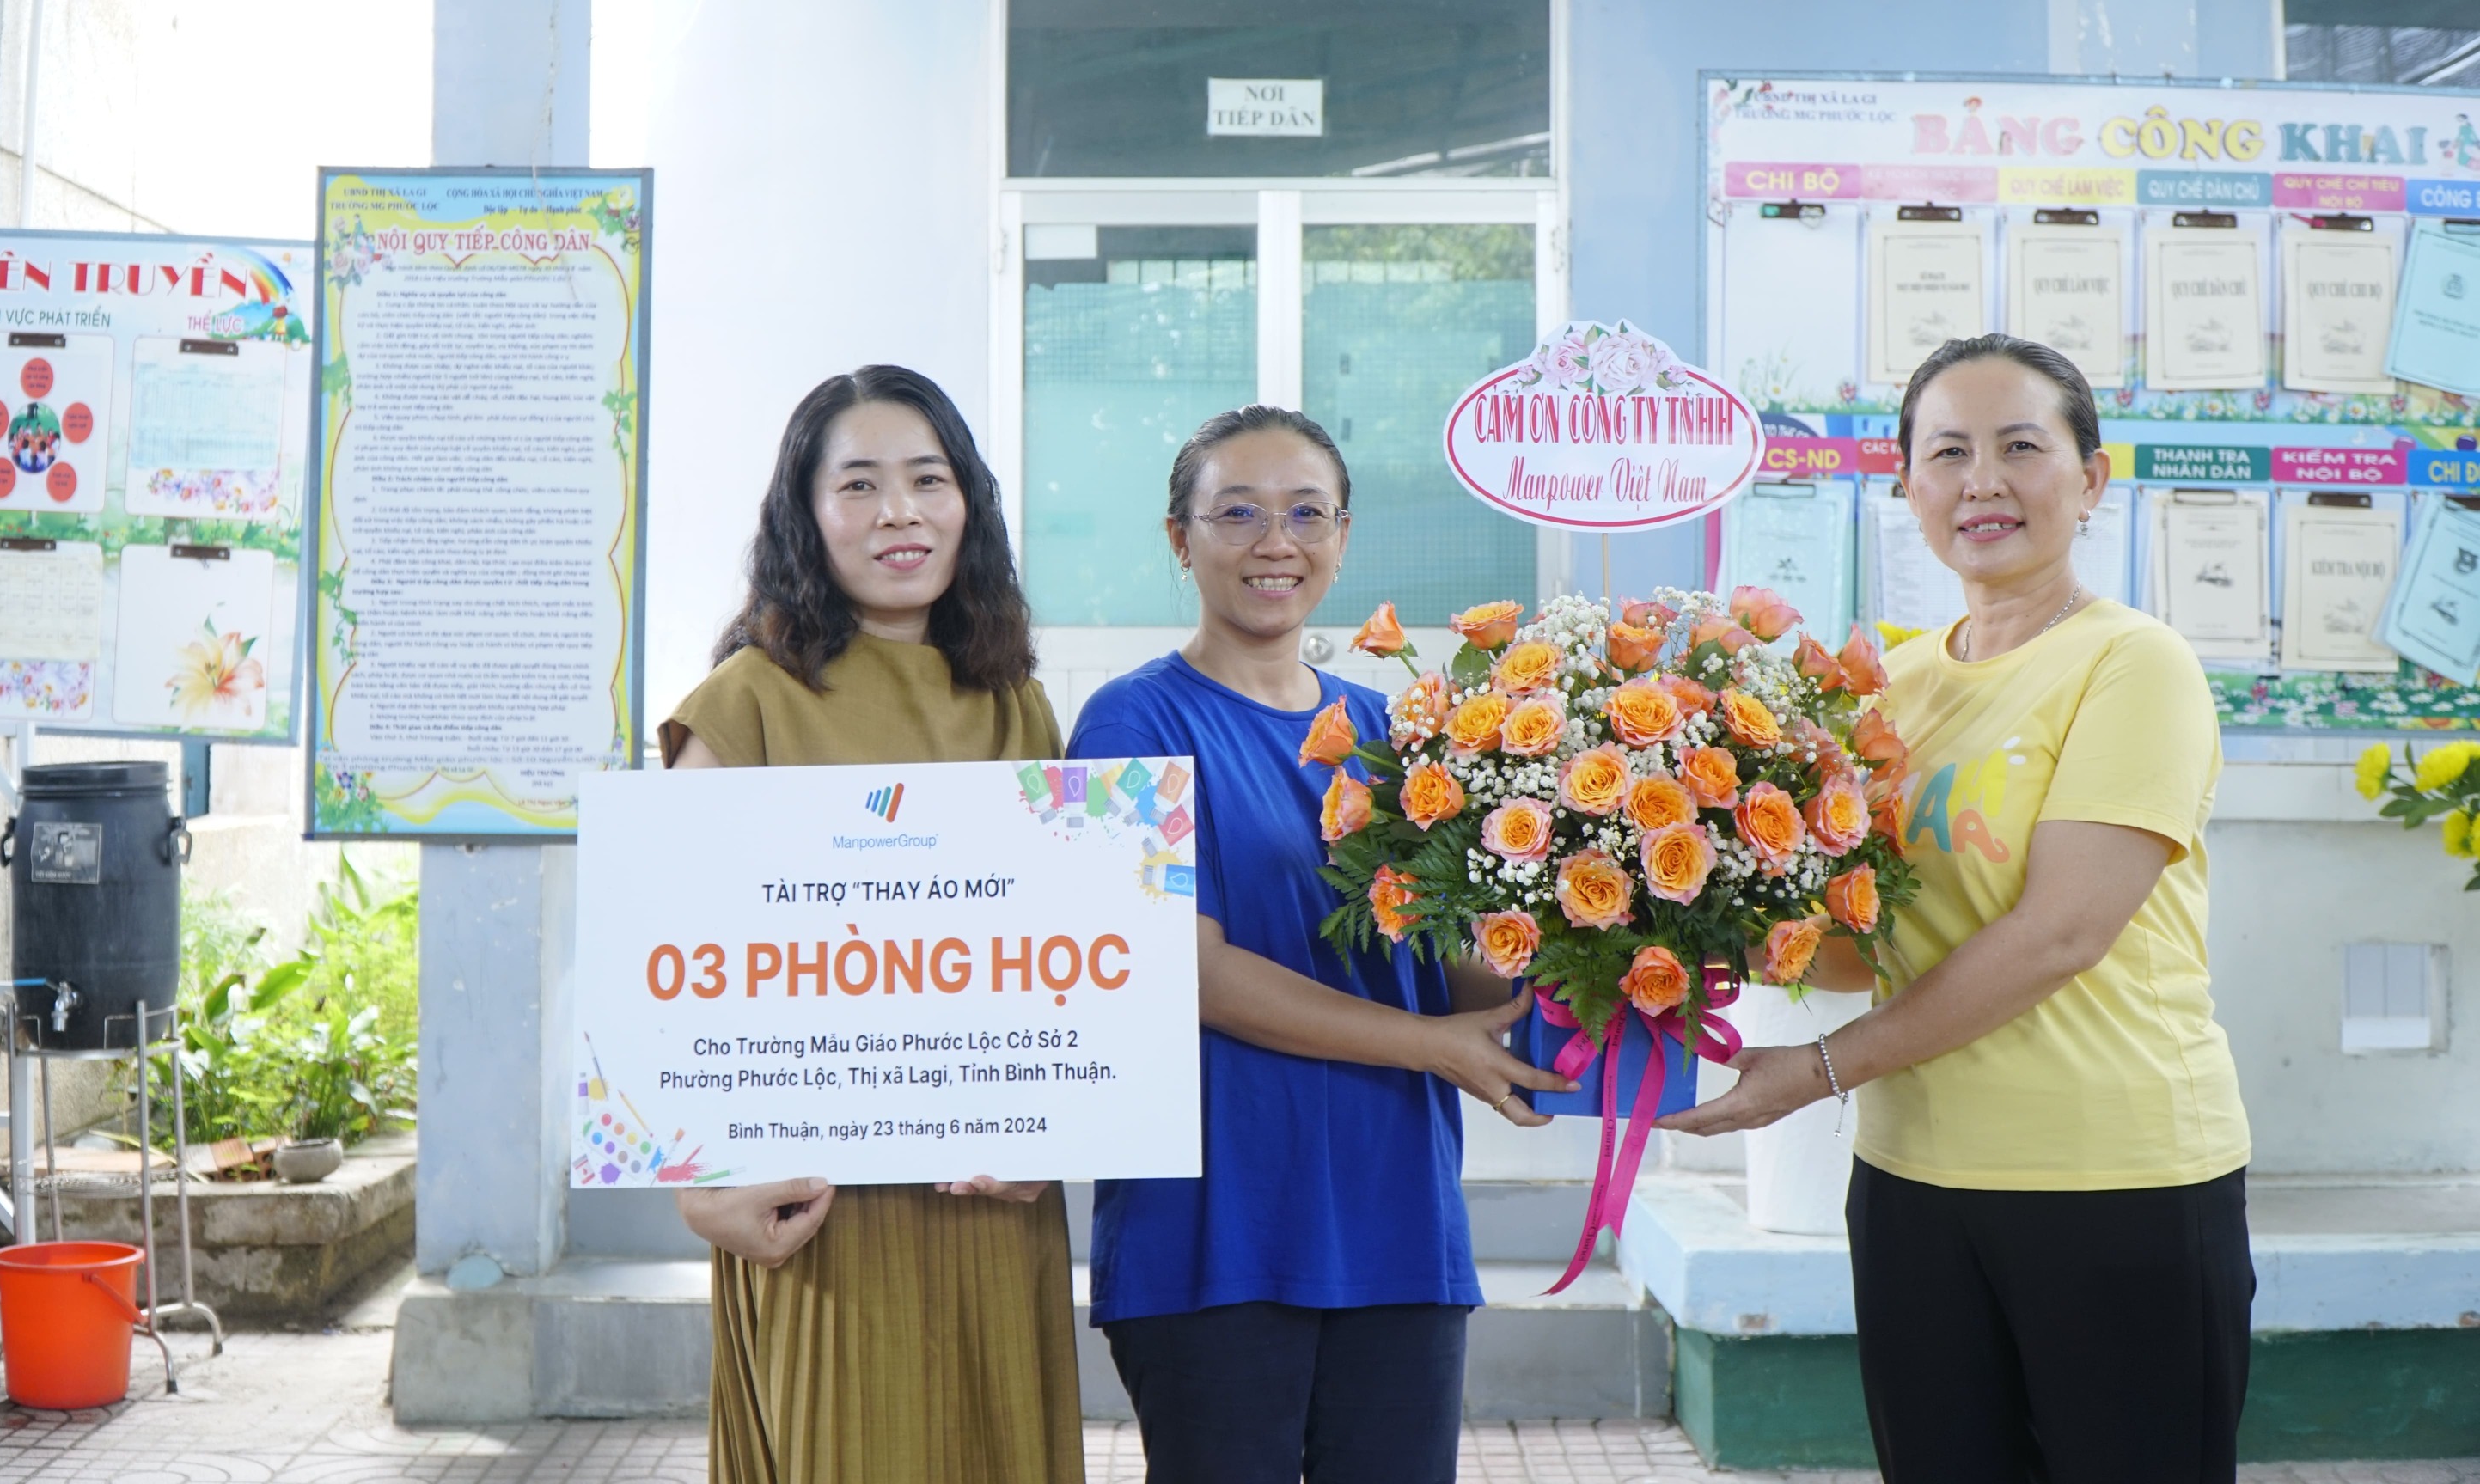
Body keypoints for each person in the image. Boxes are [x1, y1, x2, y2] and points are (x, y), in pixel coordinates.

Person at [1661, 334, 2251, 1483]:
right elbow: (1859, 945)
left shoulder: (2135, 664)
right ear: (1906, 489)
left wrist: (1819, 1070)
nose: (1983, 481)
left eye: (2021, 447)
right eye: (1949, 453)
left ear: (2090, 479)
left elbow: (2061, 933)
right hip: (1913, 1182)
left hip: (2112, 1180)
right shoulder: (1895, 686)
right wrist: (1667, 933)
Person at [1066, 404, 1575, 1484]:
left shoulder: (1399, 737)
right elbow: (1184, 966)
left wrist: (1594, 935)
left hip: (1395, 1214)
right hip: (1218, 1228)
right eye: (1236, 513)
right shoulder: (1130, 726)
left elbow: (1441, 959)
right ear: (1179, 537)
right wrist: (1436, 1047)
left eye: (1306, 513)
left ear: (1343, 537)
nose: (1274, 542)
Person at [662, 366, 1081, 1484]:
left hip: (992, 1204)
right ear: (806, 516)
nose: (899, 512)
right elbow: (666, 956)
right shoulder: (747, 699)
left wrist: (1061, 1133)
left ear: (968, 503)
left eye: (926, 479)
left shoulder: (1016, 703)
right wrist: (700, 1195)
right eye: (859, 484)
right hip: (814, 1211)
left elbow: (1067, 958)